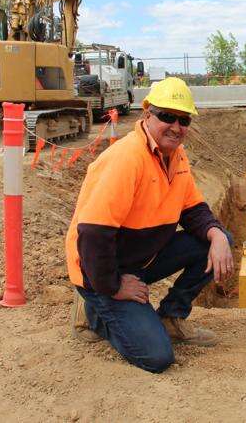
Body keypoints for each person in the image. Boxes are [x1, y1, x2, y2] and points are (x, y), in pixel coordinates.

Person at [65, 77, 233, 373]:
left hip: (142, 258)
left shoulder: (176, 156)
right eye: (167, 116)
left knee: (215, 239)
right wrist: (113, 286)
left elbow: (193, 208)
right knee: (156, 357)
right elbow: (93, 233)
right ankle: (93, 310)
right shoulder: (126, 159)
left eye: (184, 120)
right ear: (147, 115)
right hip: (101, 268)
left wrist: (217, 235)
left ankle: (170, 317)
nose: (176, 127)